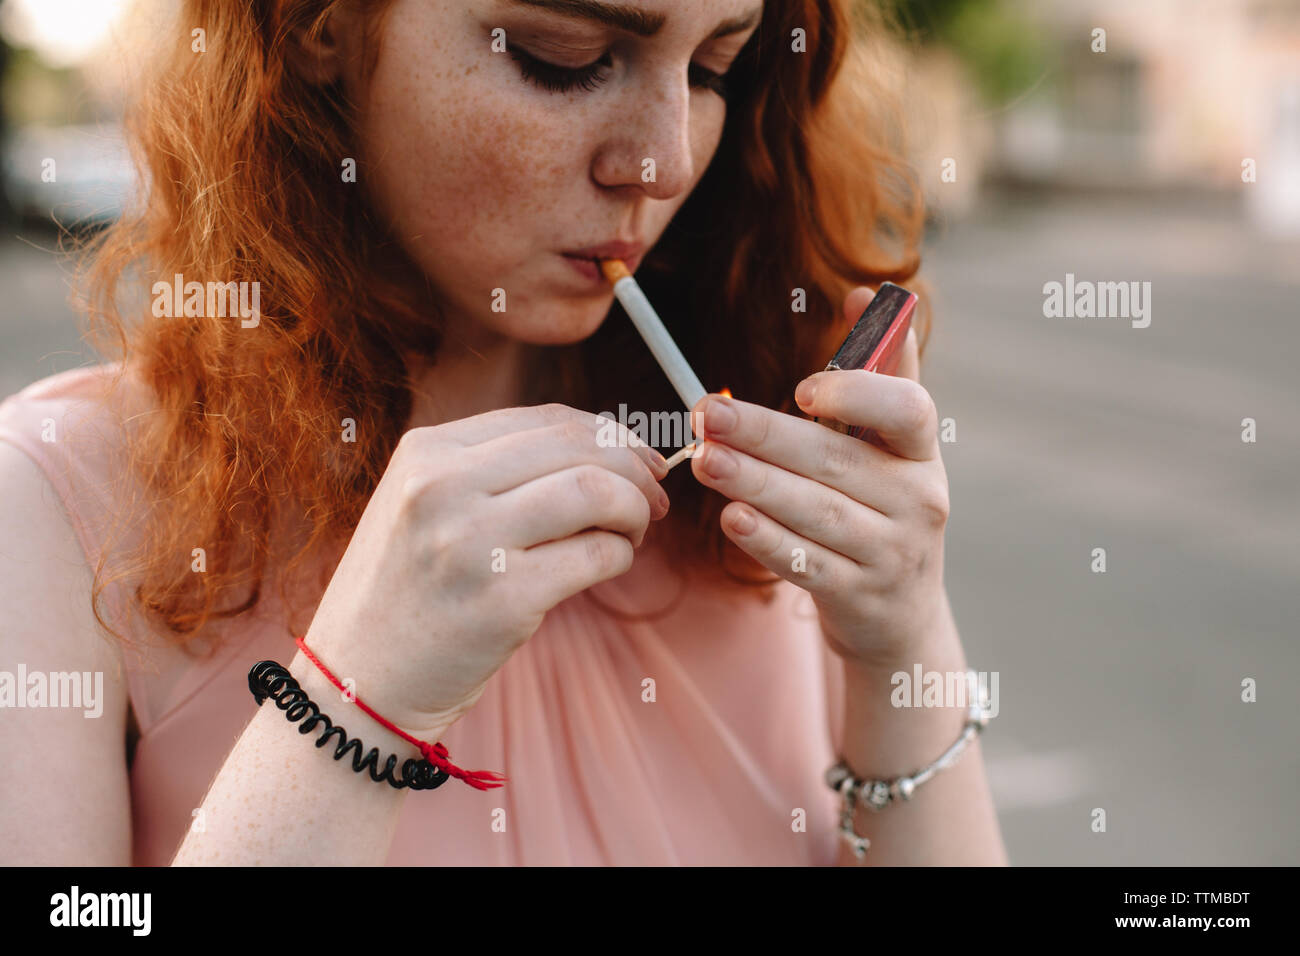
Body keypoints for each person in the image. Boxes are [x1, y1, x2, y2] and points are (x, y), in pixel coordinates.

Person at [0, 0, 1007, 866]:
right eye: (563, 59)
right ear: (318, 26)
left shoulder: (762, 461)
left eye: (713, 67)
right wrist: (352, 701)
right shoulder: (57, 502)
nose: (660, 161)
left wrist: (903, 637)